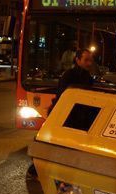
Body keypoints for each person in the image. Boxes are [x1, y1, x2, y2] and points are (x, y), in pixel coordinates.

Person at [26, 49, 95, 181]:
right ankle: (35, 170)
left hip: (76, 119)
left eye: (90, 60)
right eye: (86, 60)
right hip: (63, 117)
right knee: (53, 145)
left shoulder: (88, 78)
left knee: (64, 147)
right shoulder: (68, 75)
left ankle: (56, 172)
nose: (89, 63)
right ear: (77, 60)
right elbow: (63, 97)